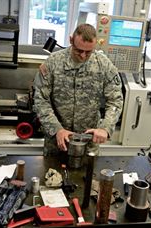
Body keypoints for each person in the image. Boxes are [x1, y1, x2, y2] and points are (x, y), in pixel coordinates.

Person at [33, 23, 123, 156]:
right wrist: (57, 129)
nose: (83, 56)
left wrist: (105, 128)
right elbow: (41, 100)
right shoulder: (53, 62)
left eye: (88, 52)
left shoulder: (104, 65)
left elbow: (115, 100)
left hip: (88, 143)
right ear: (71, 40)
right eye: (78, 50)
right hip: (57, 141)